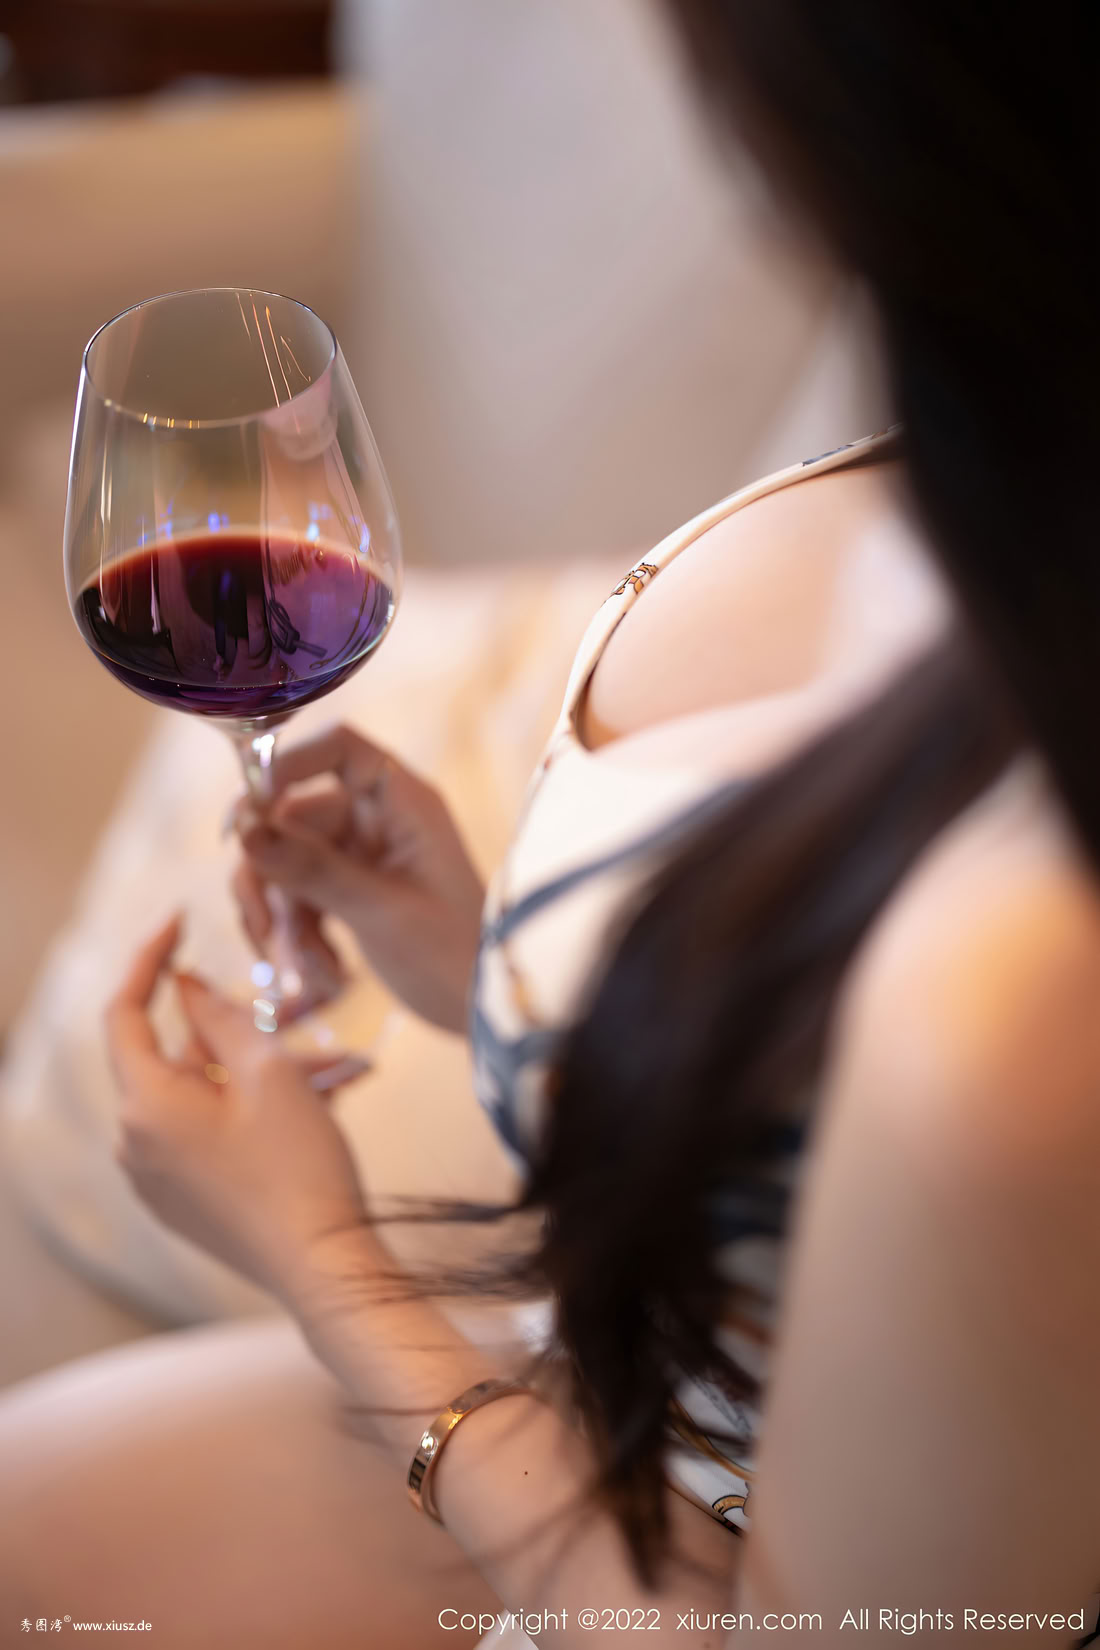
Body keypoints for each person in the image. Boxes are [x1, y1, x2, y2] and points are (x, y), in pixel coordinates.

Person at [3, 2, 1099, 1644]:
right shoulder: (979, 473)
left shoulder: (1017, 997)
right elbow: (806, 1115)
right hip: (623, 1388)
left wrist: (323, 1254)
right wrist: (493, 963)